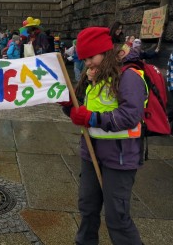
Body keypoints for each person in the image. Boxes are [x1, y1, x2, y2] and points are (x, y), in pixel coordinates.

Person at [61, 27, 146, 245]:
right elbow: (80, 107)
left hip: (120, 157)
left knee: (117, 217)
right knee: (87, 208)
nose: (87, 63)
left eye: (90, 57)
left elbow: (130, 116)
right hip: (91, 153)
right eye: (84, 58)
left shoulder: (129, 76)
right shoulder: (91, 76)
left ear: (105, 52)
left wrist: (91, 118)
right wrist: (69, 105)